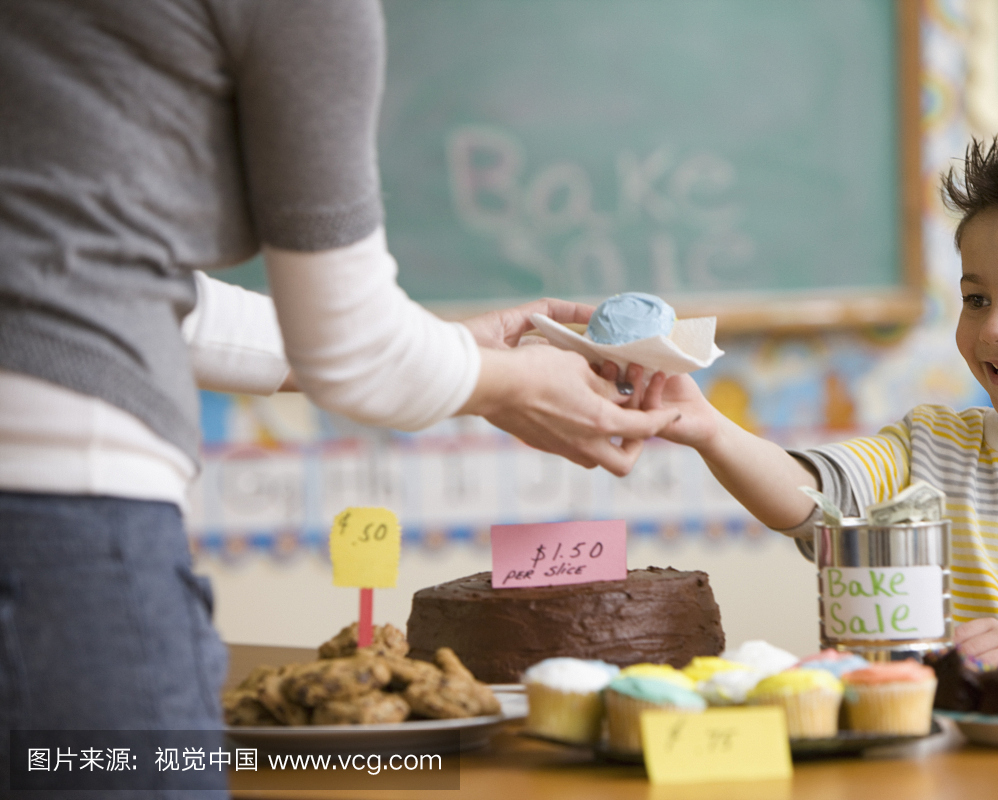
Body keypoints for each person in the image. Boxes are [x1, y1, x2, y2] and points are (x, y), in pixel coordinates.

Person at [0, 0, 676, 787]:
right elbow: (355, 351)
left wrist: (454, 351)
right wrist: (510, 384)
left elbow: (102, 278)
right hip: (55, 527)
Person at [638, 138, 998, 667]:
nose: (995, 328)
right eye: (975, 298)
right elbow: (809, 497)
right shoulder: (929, 447)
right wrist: (708, 427)